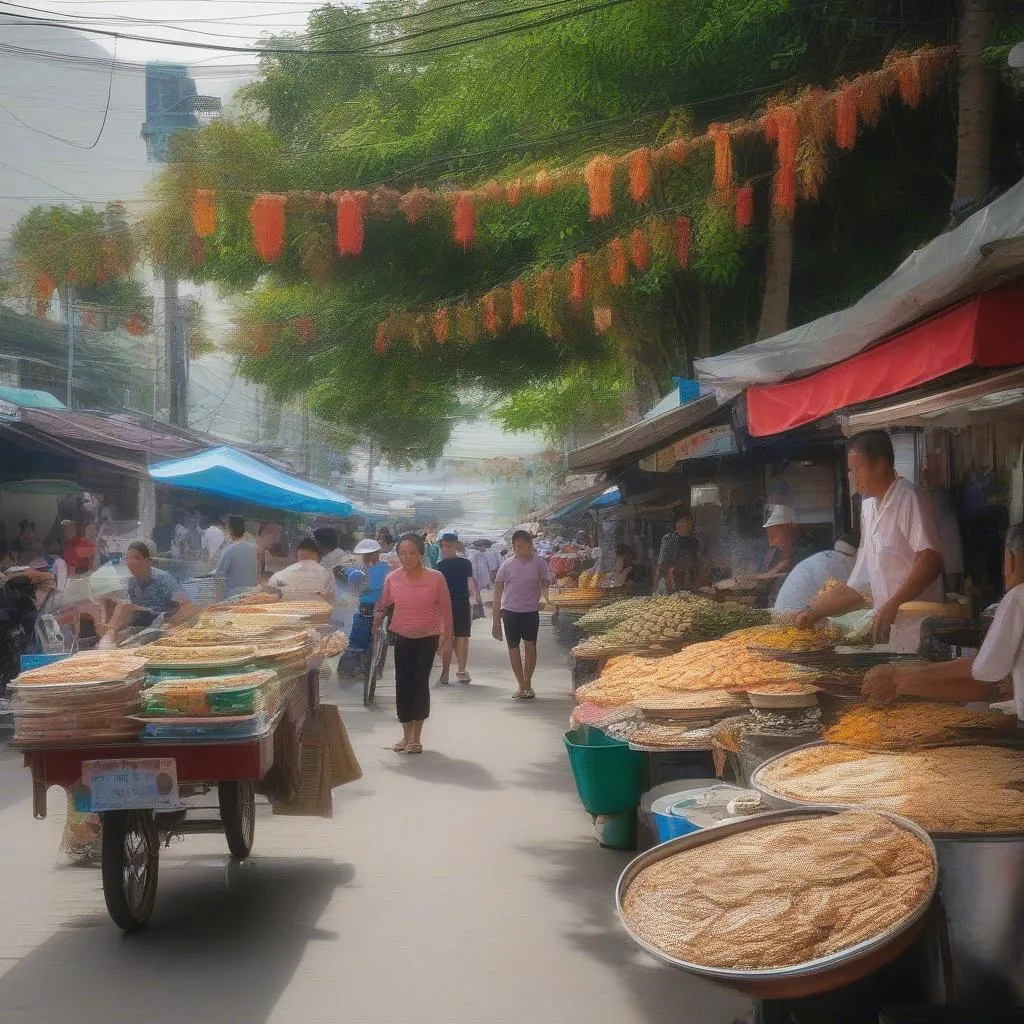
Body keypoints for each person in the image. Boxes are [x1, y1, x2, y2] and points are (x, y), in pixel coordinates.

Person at [795, 430, 944, 650]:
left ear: (880, 464)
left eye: (857, 468)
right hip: (891, 634)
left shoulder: (908, 497)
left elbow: (931, 559)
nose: (854, 477)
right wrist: (814, 612)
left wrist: (894, 602)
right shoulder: (867, 508)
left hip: (920, 630)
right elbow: (862, 583)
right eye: (850, 470)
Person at [863, 521, 1024, 718]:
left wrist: (899, 675)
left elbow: (986, 671)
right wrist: (901, 681)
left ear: (1013, 559)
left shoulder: (1018, 596)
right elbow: (987, 681)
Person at [375, 533, 453, 754]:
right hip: (402, 636)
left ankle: (416, 738)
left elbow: (447, 611)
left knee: (419, 684)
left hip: (428, 637)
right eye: (402, 553)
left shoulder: (436, 578)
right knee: (402, 685)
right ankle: (405, 734)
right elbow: (383, 603)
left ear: (420, 554)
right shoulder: (393, 578)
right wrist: (376, 612)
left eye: (411, 553)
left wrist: (447, 639)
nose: (407, 558)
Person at [492, 529, 552, 699]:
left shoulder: (539, 563)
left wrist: (550, 599)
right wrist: (496, 619)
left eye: (524, 547)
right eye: (517, 547)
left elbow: (546, 584)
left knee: (531, 647)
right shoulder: (507, 564)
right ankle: (521, 685)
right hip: (511, 612)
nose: (521, 550)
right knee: (513, 648)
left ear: (530, 545)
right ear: (513, 547)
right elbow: (498, 590)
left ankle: (528, 683)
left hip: (531, 612)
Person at [98, 541, 192, 648]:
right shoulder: (132, 582)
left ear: (147, 561)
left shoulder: (163, 579)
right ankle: (109, 636)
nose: (131, 562)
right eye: (127, 558)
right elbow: (131, 610)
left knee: (124, 609)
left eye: (136, 558)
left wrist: (173, 623)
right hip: (143, 624)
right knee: (122, 612)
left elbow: (186, 605)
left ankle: (109, 636)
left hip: (162, 622)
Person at [773, 534, 859, 612]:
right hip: (796, 622)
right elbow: (853, 596)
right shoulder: (837, 564)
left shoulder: (825, 558)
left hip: (783, 618)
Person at [435, 530, 478, 685]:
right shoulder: (443, 565)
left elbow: (469, 584)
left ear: (455, 547)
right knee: (453, 638)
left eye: (448, 546)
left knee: (459, 638)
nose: (445, 549)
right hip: (452, 604)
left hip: (459, 603)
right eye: (443, 546)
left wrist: (472, 600)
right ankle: (450, 671)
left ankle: (458, 670)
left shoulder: (443, 565)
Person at [267, 538, 336, 600]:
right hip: (317, 611)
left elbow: (271, 590)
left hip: (287, 610)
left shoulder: (279, 576)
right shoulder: (327, 575)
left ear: (297, 554)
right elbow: (330, 600)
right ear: (318, 556)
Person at [757, 506, 813, 581]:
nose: (771, 543)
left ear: (789, 527)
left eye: (773, 537)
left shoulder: (806, 548)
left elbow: (786, 561)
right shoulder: (795, 544)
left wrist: (771, 573)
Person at [655, 512, 702, 594]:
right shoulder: (669, 539)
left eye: (689, 521)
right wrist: (668, 583)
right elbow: (663, 564)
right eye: (684, 521)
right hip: (670, 578)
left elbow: (695, 563)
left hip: (686, 580)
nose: (688, 524)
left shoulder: (694, 541)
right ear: (677, 524)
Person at [215, 515, 259, 598]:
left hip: (233, 596)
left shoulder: (228, 550)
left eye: (226, 528)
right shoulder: (254, 548)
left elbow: (219, 576)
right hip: (252, 594)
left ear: (229, 530)